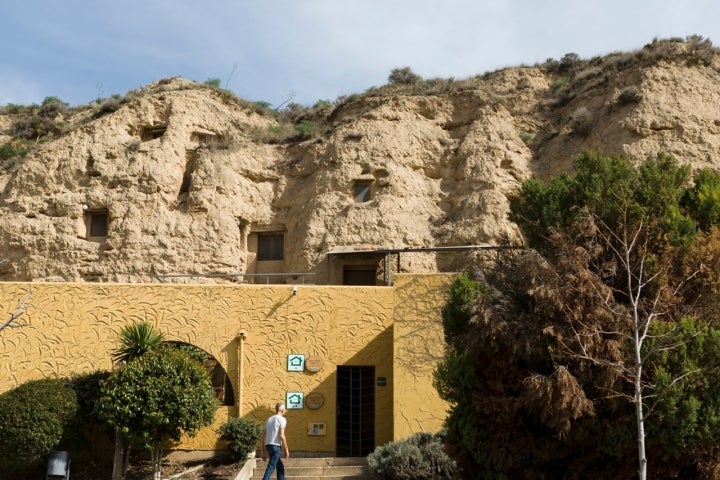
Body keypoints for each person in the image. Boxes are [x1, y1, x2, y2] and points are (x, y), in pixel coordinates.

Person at [259, 402, 290, 480]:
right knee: (271, 467)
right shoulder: (282, 419)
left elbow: (262, 435)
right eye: (285, 410)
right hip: (276, 446)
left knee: (280, 467)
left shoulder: (269, 419)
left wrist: (262, 451)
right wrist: (286, 450)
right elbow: (282, 435)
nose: (285, 411)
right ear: (282, 410)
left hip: (268, 446)